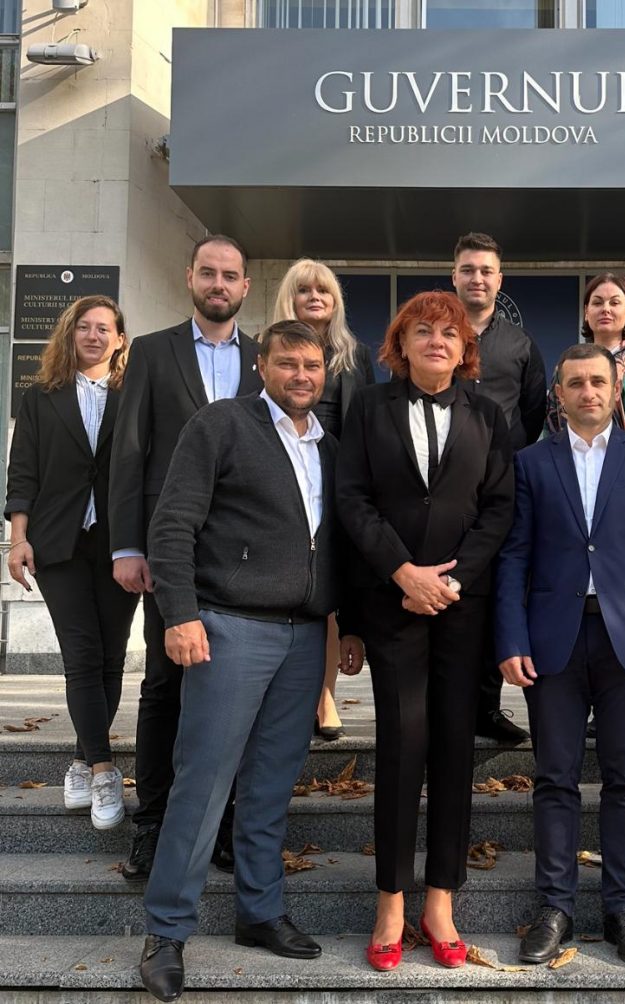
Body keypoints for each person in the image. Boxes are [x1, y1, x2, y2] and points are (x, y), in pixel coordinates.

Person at [138, 320, 355, 1003]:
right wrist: (179, 613)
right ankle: (167, 930)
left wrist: (348, 625)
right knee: (203, 784)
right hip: (229, 628)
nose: (301, 375)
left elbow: (339, 543)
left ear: (325, 372)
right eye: (287, 363)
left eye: (312, 365)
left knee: (269, 786)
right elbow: (173, 522)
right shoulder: (221, 425)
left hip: (303, 637)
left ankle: (259, 912)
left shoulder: (330, 446)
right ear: (261, 366)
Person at [495, 343, 625, 967]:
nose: (588, 392)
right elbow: (514, 556)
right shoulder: (530, 463)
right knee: (554, 778)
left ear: (614, 389)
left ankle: (621, 909)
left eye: (598, 382)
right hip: (551, 640)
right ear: (559, 394)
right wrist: (511, 640)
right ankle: (554, 907)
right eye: (575, 383)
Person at [337, 291, 514, 972]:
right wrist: (403, 573)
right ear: (400, 343)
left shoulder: (488, 413)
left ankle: (440, 900)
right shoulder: (367, 408)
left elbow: (498, 507)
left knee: (454, 749)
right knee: (402, 744)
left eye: (449, 331)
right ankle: (390, 901)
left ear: (465, 346)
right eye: (422, 330)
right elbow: (352, 498)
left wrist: (453, 580)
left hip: (463, 609)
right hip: (392, 604)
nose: (436, 340)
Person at [109, 234, 262, 882]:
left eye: (230, 275)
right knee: (164, 687)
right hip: (169, 551)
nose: (218, 284)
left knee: (235, 691)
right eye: (208, 272)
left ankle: (223, 825)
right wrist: (127, 545)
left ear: (245, 286)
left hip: (244, 556)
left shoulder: (263, 358)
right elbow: (128, 451)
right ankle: (152, 826)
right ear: (189, 277)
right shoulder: (150, 351)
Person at [6, 295, 139, 831]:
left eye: (104, 328)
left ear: (120, 339)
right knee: (82, 655)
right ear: (70, 334)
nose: (93, 335)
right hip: (58, 541)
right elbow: (23, 471)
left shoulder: (134, 394)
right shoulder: (41, 397)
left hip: (120, 543)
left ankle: (83, 759)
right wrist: (18, 540)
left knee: (110, 659)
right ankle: (105, 771)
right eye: (84, 326)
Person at [271, 258, 375, 741]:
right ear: (289, 298)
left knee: (330, 591)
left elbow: (367, 426)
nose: (315, 298)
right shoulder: (266, 349)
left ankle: (325, 695)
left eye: (324, 291)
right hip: (281, 478)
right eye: (304, 290)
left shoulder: (355, 355)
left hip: (336, 479)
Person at [452, 231, 547, 745]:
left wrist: (501, 457)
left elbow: (531, 414)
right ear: (454, 276)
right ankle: (444, 706)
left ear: (499, 280)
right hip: (438, 488)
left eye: (486, 271)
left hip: (498, 488)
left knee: (492, 593)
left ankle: (485, 708)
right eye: (468, 269)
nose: (477, 279)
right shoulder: (437, 331)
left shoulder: (520, 344)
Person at [545, 272, 625, 443]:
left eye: (614, 303)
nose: (605, 309)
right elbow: (553, 424)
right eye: (597, 303)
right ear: (586, 312)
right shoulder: (569, 363)